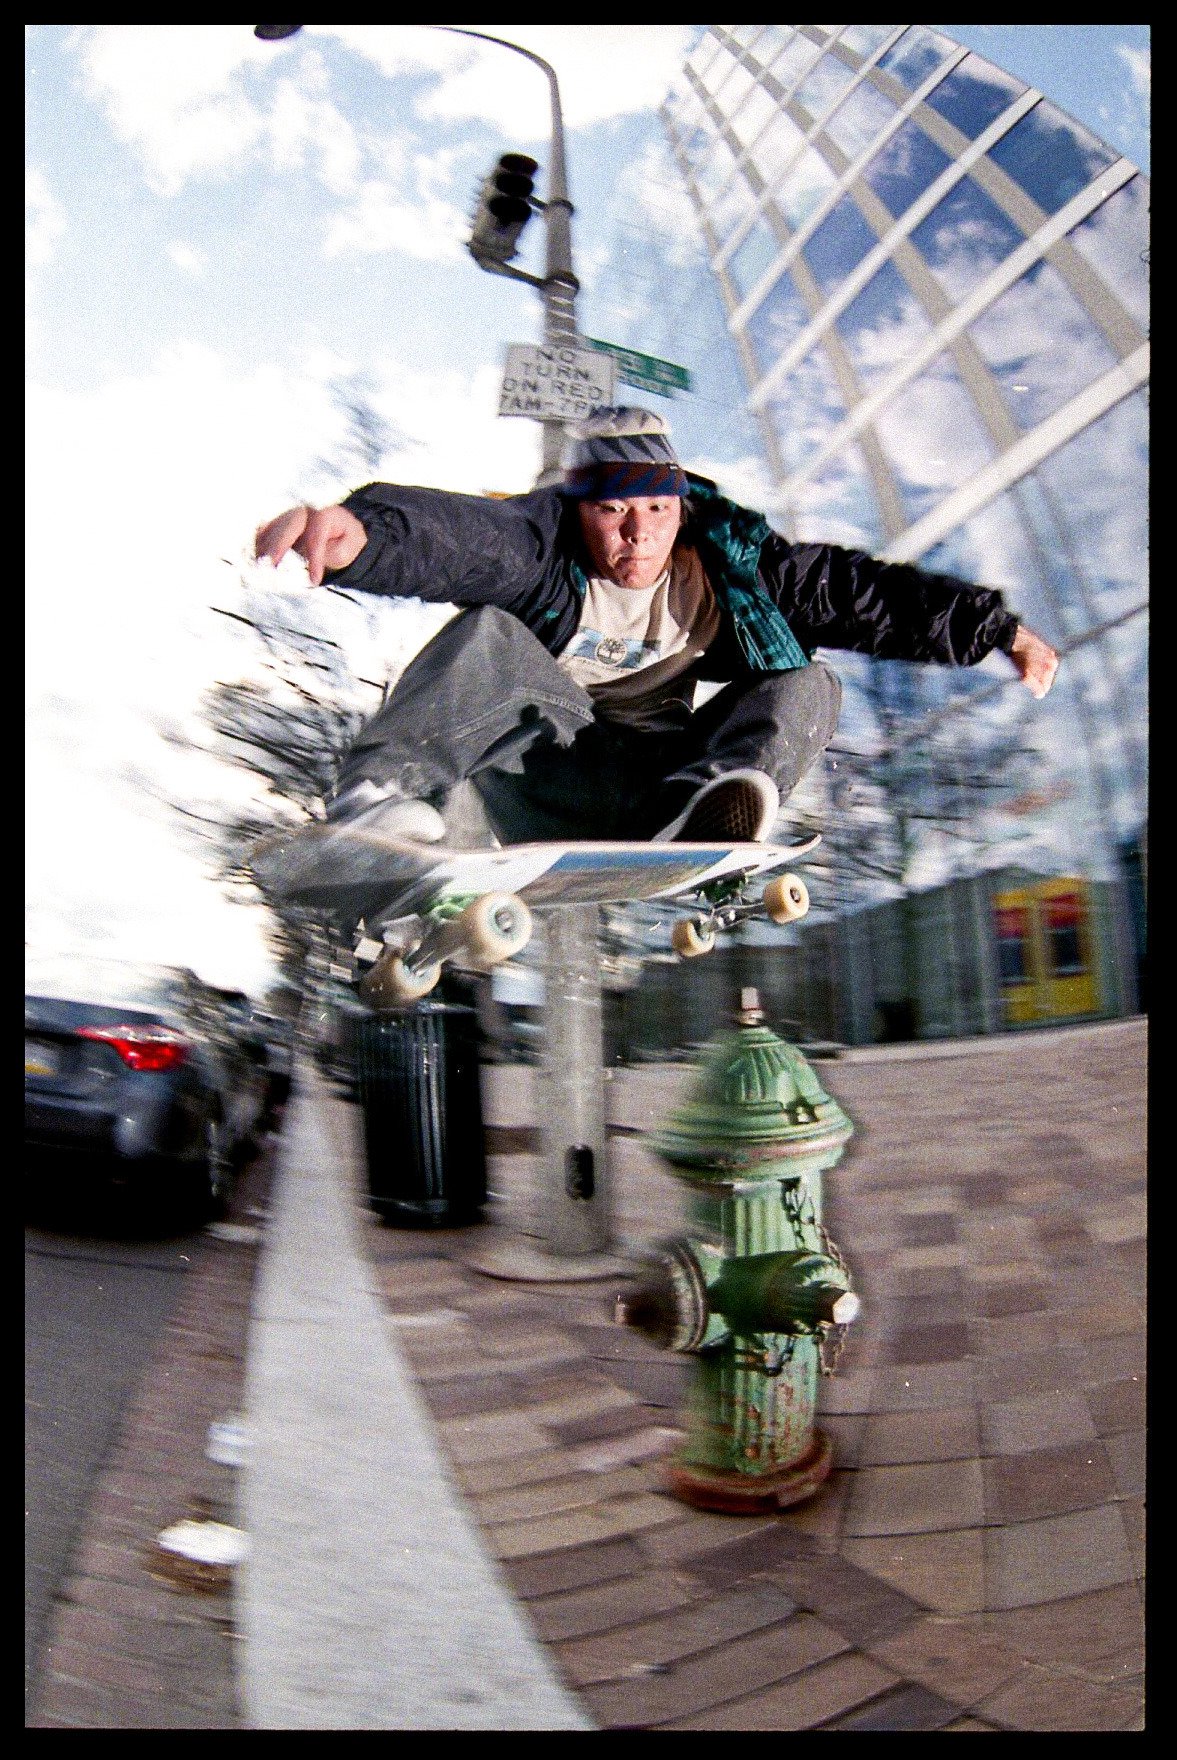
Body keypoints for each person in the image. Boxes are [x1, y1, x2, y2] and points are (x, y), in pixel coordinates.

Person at [253, 405, 1058, 909]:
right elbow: (464, 541)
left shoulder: (738, 568)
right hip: (550, 774)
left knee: (808, 681)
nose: (635, 534)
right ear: (581, 511)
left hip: (661, 788)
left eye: (654, 509)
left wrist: (993, 630)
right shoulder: (538, 550)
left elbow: (858, 593)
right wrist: (365, 537)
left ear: (681, 507)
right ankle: (380, 799)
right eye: (611, 510)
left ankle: (714, 809)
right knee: (490, 634)